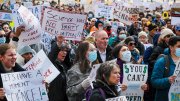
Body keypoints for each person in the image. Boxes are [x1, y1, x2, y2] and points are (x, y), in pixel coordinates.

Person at [151, 36, 180, 101]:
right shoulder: (162, 61)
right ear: (171, 47)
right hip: (165, 97)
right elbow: (154, 81)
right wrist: (167, 80)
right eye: (179, 46)